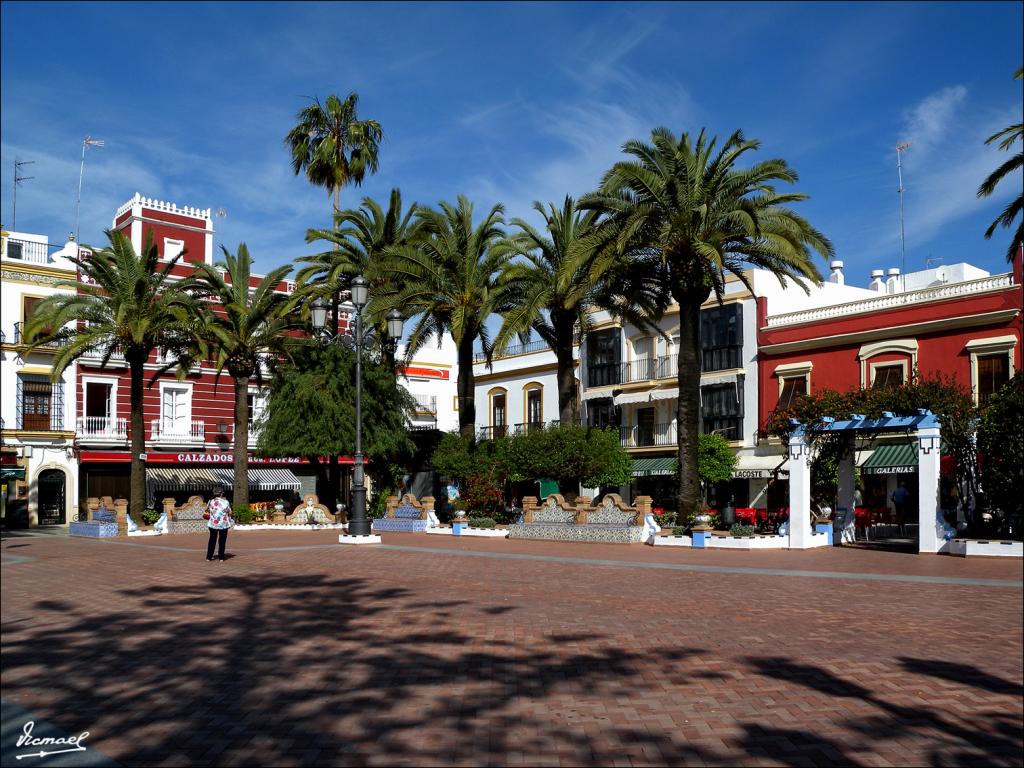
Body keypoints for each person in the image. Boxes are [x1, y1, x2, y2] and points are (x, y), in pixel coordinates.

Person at [205, 487, 232, 562]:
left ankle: (209, 557)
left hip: (213, 524)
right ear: (221, 494)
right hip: (223, 524)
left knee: (212, 540)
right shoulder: (226, 502)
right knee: (222, 541)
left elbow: (207, 510)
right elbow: (230, 512)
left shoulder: (210, 501)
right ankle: (221, 557)